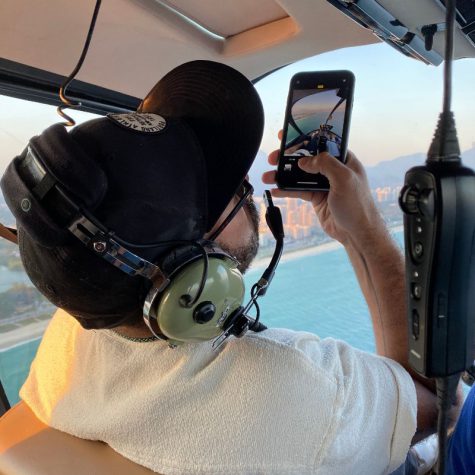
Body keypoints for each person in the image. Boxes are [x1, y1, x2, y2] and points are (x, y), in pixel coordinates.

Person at [0, 60, 442, 475]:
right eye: (222, 188)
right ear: (189, 275)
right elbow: (438, 400)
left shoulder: (66, 346)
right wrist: (365, 230)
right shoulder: (294, 385)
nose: (246, 183)